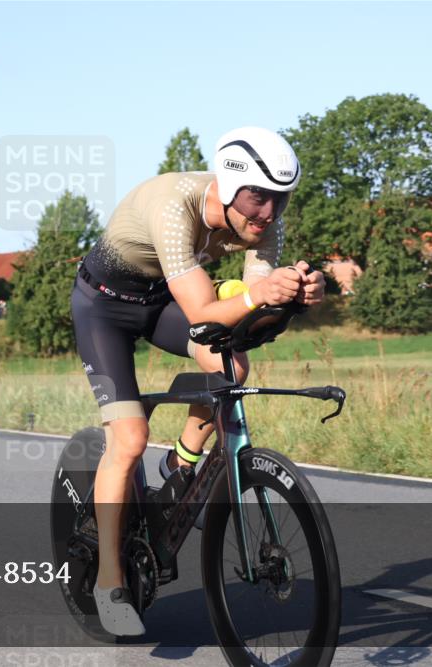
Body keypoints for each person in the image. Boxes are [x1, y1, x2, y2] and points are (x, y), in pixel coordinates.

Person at [70, 126, 326, 635]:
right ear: (228, 187)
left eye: (280, 199)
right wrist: (258, 296)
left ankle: (180, 466)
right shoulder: (173, 206)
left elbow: (250, 316)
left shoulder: (264, 224)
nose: (268, 213)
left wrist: (294, 297)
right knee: (129, 438)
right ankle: (109, 582)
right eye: (257, 198)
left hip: (160, 303)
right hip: (104, 309)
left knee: (232, 366)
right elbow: (206, 311)